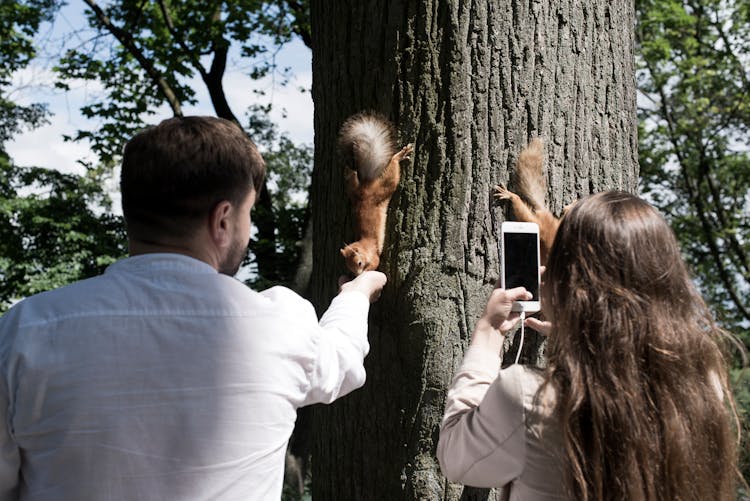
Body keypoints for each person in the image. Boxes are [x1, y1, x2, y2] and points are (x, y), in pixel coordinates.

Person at [0, 116, 387, 500]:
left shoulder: (24, 330)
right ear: (222, 219)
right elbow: (342, 360)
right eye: (248, 213)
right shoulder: (279, 324)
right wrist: (355, 296)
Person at [437, 191, 737, 501]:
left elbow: (456, 457)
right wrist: (586, 338)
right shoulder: (703, 386)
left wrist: (488, 334)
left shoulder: (528, 395)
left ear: (563, 282)